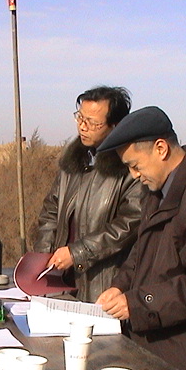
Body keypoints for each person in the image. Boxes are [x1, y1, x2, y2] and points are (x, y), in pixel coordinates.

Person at [95, 106, 186, 370]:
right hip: (153, 343)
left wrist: (139, 303)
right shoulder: (159, 188)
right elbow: (143, 250)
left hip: (183, 358)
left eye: (135, 165)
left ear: (161, 149)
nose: (134, 175)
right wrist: (119, 287)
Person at [34, 86, 143, 303]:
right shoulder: (73, 162)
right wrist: (43, 256)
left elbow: (128, 225)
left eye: (93, 123)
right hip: (61, 279)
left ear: (115, 125)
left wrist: (77, 253)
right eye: (80, 118)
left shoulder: (130, 168)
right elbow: (50, 211)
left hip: (104, 283)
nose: (83, 127)